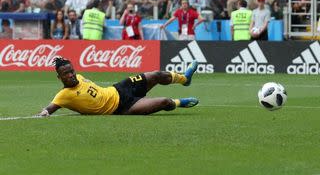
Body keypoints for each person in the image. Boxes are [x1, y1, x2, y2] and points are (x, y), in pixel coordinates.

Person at [38, 57, 199, 116]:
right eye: (66, 74)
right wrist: (43, 113)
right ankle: (180, 102)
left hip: (121, 87)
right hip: (121, 108)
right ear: (59, 77)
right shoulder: (64, 95)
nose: (71, 75)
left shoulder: (80, 77)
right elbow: (49, 109)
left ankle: (184, 79)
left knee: (156, 74)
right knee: (165, 102)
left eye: (71, 71)